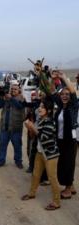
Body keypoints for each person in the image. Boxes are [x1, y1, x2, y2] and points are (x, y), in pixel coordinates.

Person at [21, 99, 61, 210]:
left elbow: (43, 137)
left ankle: (57, 202)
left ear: (48, 110)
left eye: (42, 107)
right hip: (40, 152)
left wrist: (32, 127)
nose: (39, 108)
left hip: (50, 155)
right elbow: (35, 136)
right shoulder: (41, 120)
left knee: (52, 178)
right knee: (35, 174)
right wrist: (30, 127)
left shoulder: (50, 121)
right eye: (40, 106)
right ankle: (32, 193)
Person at [51, 71, 78, 199]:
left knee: (69, 163)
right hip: (60, 140)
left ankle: (67, 189)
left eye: (67, 94)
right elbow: (52, 92)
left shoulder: (73, 106)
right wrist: (52, 80)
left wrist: (63, 77)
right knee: (62, 163)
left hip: (70, 140)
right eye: (63, 94)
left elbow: (73, 92)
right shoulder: (61, 106)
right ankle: (70, 185)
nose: (65, 96)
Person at [0, 84, 25, 169]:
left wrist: (11, 98)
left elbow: (20, 106)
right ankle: (1, 160)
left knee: (17, 146)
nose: (13, 90)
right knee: (2, 145)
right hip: (4, 127)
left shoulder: (21, 98)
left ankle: (18, 161)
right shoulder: (6, 97)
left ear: (19, 90)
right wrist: (2, 97)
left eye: (15, 89)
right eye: (12, 89)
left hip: (16, 128)